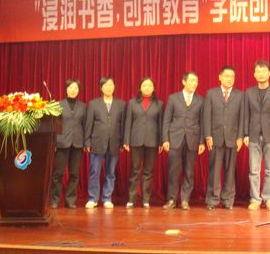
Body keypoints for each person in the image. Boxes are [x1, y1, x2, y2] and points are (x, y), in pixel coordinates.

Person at [161, 72, 205, 210]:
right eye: (191, 81)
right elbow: (166, 120)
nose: (194, 83)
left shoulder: (200, 100)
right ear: (184, 82)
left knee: (189, 171)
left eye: (196, 81)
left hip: (193, 139)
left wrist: (201, 142)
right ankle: (171, 200)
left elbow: (202, 122)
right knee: (173, 171)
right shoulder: (173, 98)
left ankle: (185, 200)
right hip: (175, 139)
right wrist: (165, 139)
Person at [204, 66, 244, 210]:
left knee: (230, 170)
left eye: (232, 76)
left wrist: (240, 137)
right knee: (214, 171)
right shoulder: (211, 93)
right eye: (226, 76)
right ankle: (212, 200)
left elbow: (242, 117)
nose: (229, 79)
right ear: (220, 77)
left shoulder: (240, 95)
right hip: (215, 138)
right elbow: (206, 116)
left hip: (233, 138)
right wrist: (208, 135)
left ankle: (228, 200)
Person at [243, 60, 270, 211]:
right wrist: (245, 133)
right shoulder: (249, 92)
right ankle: (255, 199)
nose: (261, 74)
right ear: (254, 74)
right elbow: (246, 114)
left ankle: (269, 199)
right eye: (258, 71)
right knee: (254, 170)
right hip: (253, 135)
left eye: (264, 71)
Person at [84, 77, 126, 209]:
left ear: (114, 87)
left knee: (110, 173)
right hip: (96, 142)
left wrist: (123, 142)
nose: (109, 87)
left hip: (114, 142)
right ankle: (93, 198)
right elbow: (89, 123)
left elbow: (123, 125)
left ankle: (107, 198)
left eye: (111, 85)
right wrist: (87, 141)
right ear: (101, 88)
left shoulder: (121, 104)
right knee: (94, 172)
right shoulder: (93, 104)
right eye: (106, 85)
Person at [123, 77, 163, 209]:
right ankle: (131, 199)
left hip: (152, 141)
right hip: (136, 140)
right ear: (140, 87)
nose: (147, 88)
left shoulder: (159, 104)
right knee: (135, 170)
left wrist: (161, 142)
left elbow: (161, 124)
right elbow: (128, 122)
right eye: (144, 85)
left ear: (154, 88)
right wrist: (126, 140)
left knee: (148, 171)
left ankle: (146, 199)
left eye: (150, 85)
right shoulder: (132, 103)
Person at [50, 79, 86, 209]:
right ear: (66, 89)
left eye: (76, 88)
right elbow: (56, 125)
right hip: (62, 143)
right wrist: (55, 142)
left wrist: (86, 142)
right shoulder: (58, 105)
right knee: (58, 173)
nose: (73, 90)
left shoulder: (83, 106)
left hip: (77, 143)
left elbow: (85, 125)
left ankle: (70, 200)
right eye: (71, 87)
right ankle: (54, 200)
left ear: (78, 90)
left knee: (74, 174)